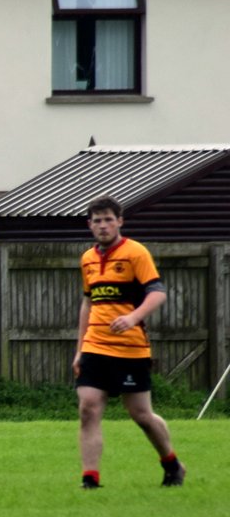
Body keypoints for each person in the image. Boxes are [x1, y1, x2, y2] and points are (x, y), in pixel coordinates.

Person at [72, 195, 185, 489]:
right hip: (95, 347)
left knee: (141, 415)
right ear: (90, 225)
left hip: (130, 349)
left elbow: (157, 293)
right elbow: (88, 303)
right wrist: (80, 349)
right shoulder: (87, 259)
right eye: (97, 221)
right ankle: (90, 479)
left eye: (108, 219)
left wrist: (133, 317)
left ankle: (172, 464)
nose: (103, 225)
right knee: (88, 409)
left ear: (120, 221)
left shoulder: (136, 253)